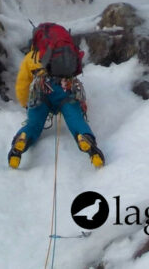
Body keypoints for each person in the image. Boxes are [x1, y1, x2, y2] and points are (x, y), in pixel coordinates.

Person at [9, 23, 105, 169]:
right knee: (76, 120)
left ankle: (22, 140)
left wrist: (26, 104)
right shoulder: (65, 53)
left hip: (40, 91)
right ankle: (86, 141)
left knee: (33, 124)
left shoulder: (31, 57)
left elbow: (22, 84)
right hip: (65, 89)